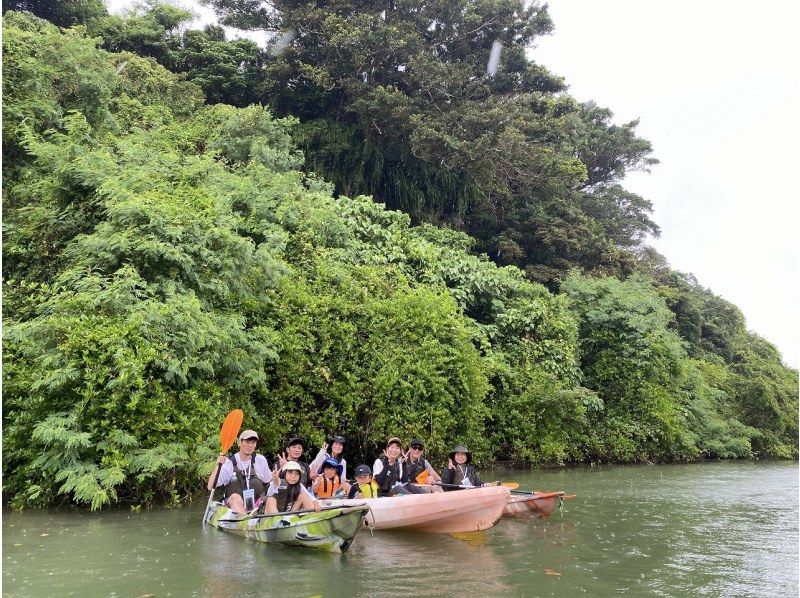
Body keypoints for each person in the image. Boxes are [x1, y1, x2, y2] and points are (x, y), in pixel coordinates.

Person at [207, 429, 271, 513]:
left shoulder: (260, 460)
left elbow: (268, 480)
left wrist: (276, 478)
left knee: (270, 499)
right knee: (235, 497)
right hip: (233, 506)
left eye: (253, 442)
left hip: (256, 505)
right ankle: (245, 523)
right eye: (247, 442)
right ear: (240, 443)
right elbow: (210, 486)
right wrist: (218, 466)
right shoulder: (228, 462)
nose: (250, 446)